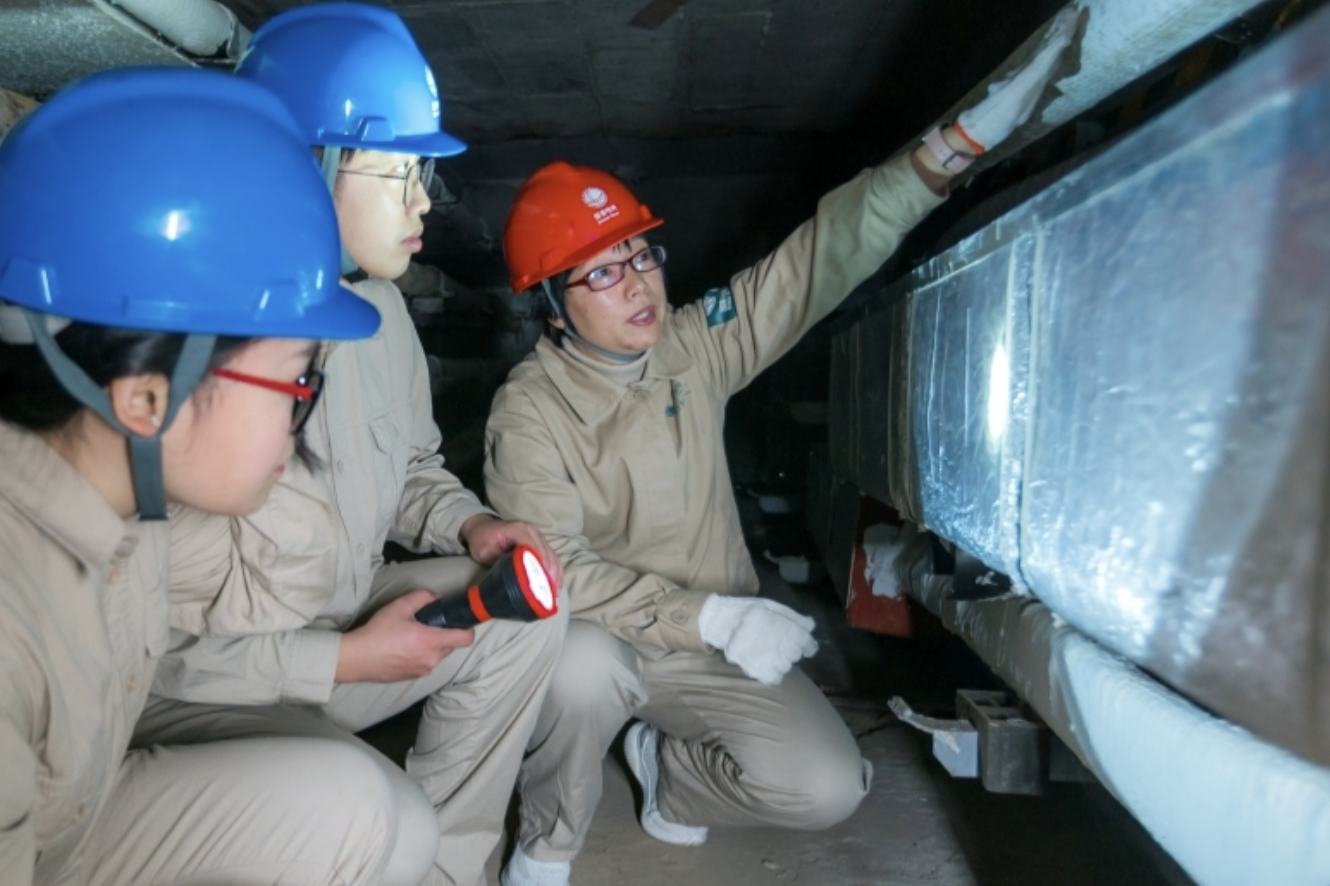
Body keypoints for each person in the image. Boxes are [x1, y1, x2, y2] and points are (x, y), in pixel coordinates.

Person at [483, 10, 1079, 885]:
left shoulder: (691, 347)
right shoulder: (529, 410)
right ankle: (547, 845)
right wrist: (713, 617)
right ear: (551, 307)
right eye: (602, 272)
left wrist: (948, 152)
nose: (639, 284)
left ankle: (670, 776)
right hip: (610, 638)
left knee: (827, 786)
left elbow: (811, 263)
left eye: (641, 255)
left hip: (710, 646)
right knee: (575, 668)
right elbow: (556, 570)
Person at [145, 6, 568, 886]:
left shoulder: (380, 316)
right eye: (402, 173)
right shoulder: (189, 338)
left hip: (342, 634)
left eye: (423, 174)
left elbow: (411, 466)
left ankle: (447, 871)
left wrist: (471, 526)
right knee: (373, 815)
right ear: (307, 167)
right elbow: (142, 645)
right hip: (204, 692)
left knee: (524, 616)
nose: (425, 201)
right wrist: (343, 659)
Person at [0, 67, 409, 886]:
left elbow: (284, 584)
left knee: (360, 808)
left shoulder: (122, 501)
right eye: (297, 380)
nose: (302, 417)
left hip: (78, 820)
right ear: (148, 396)